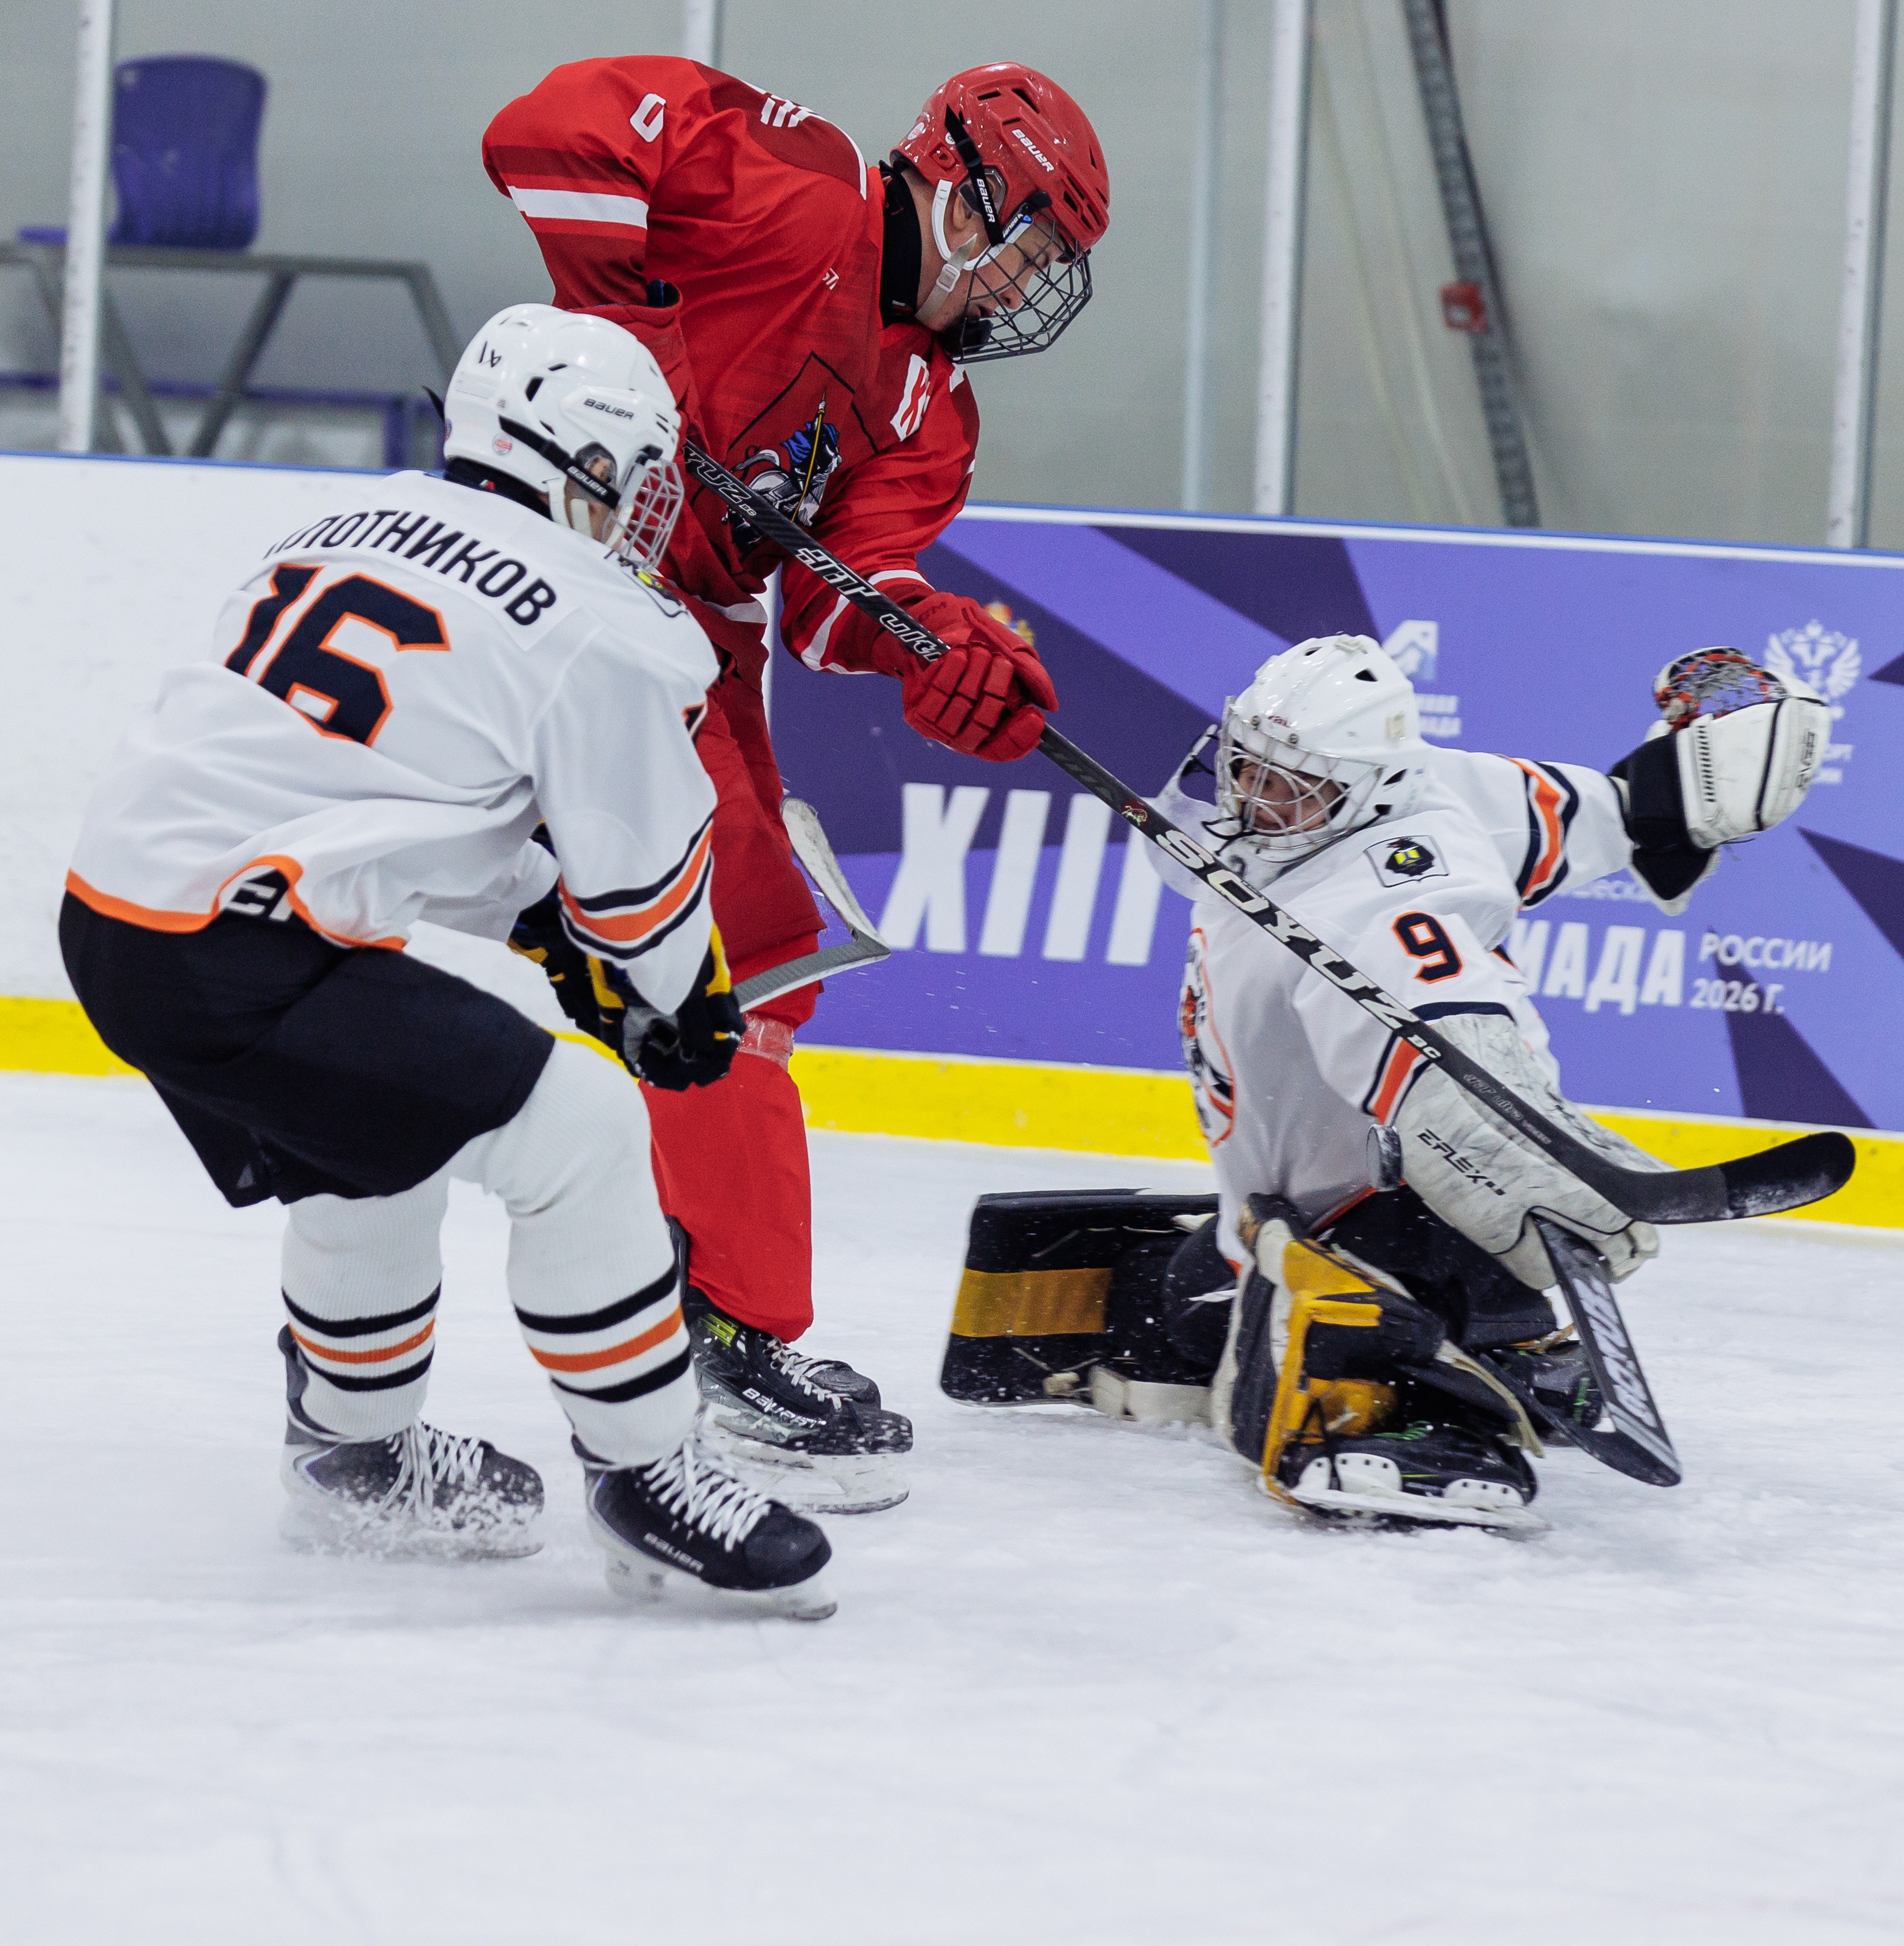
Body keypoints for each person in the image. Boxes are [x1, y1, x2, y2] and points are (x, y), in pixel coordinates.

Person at [58, 304, 836, 1619]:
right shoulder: (597, 619)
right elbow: (642, 904)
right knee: (580, 1125)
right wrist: (672, 1000)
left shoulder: (343, 525)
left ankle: (352, 1456)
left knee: (374, 1140)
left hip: (122, 918)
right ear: (587, 459)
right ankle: (650, 1479)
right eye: (638, 474)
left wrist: (544, 920)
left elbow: (378, 802)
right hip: (237, 947)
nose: (640, 507)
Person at [482, 57, 1111, 1505]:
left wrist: (933, 644)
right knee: (729, 955)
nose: (1021, 287)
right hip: (557, 565)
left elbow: (837, 601)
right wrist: (638, 339)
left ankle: (720, 1331)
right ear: (957, 183)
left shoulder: (931, 410)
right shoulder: (792, 185)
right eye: (1022, 244)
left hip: (685, 636)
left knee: (762, 965)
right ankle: (719, 1342)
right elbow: (532, 138)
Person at [943, 635, 1828, 1530]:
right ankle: (1501, 1330)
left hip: (1388, 1223)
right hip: (1290, 1208)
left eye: (1291, 784)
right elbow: (1597, 813)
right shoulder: (1435, 787)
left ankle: (1456, 1368)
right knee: (1177, 1302)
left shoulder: (1376, 896)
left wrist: (1508, 1141)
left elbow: (1439, 1018)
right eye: (1246, 763)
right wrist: (1694, 784)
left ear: (1365, 794)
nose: (1253, 795)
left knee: (1305, 1312)